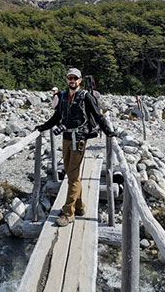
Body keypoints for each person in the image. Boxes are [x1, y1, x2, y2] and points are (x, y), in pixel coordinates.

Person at [35, 68, 117, 227]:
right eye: (69, 78)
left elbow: (98, 115)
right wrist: (42, 127)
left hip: (79, 139)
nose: (72, 81)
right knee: (71, 173)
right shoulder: (63, 96)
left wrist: (109, 132)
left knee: (72, 175)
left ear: (80, 81)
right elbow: (57, 117)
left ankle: (68, 213)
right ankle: (79, 207)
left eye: (75, 78)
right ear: (66, 80)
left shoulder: (86, 97)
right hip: (66, 138)